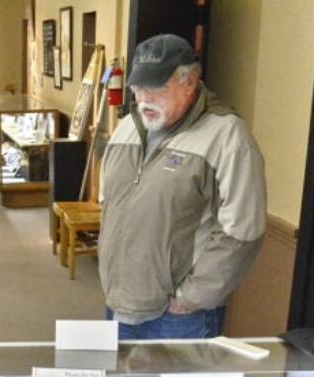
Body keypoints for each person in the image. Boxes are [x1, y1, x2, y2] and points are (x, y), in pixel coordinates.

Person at [97, 34, 267, 339]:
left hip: (177, 317)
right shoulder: (127, 127)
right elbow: (109, 205)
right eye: (138, 87)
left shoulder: (226, 136)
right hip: (119, 303)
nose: (144, 97)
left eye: (157, 87)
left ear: (190, 81)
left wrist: (190, 297)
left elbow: (243, 230)